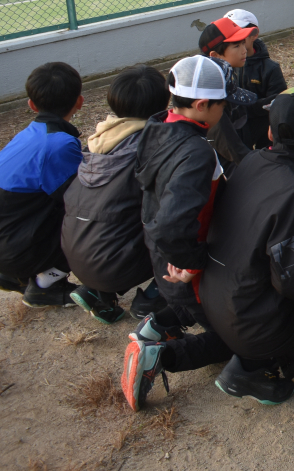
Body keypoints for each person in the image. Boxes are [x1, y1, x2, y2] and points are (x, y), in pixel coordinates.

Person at [199, 86, 294, 404]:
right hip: (251, 324)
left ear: (270, 132)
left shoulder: (253, 160)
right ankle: (256, 367)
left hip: (214, 300)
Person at [123, 56, 236, 411]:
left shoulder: (157, 127)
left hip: (161, 256)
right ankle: (159, 356)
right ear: (202, 105)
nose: (226, 109)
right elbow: (175, 223)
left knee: (186, 303)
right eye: (223, 103)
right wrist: (192, 263)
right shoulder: (196, 153)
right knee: (234, 339)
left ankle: (156, 325)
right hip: (182, 264)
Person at [0, 62, 84, 307]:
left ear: (32, 105)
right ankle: (47, 286)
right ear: (79, 101)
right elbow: (80, 199)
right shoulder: (59, 144)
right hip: (14, 250)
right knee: (86, 220)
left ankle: (17, 276)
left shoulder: (29, 134)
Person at [63, 65, 169, 325]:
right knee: (179, 219)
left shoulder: (99, 139)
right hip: (118, 263)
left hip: (76, 255)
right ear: (164, 102)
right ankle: (154, 297)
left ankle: (98, 292)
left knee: (114, 217)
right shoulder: (152, 145)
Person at [198, 18, 260, 170]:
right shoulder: (211, 88)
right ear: (215, 55)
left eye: (243, 43)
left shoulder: (224, 74)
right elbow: (230, 145)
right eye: (236, 45)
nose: (244, 50)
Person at [222, 9, 287, 150]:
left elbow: (278, 101)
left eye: (239, 32)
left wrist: (242, 107)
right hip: (234, 131)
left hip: (263, 131)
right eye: (228, 34)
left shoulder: (270, 68)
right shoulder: (222, 67)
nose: (233, 37)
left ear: (254, 34)